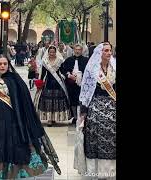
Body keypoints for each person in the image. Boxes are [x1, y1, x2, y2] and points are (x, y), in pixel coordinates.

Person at [0, 54, 61, 179]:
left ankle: (10, 173)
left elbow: (23, 101)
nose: (2, 66)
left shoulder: (15, 80)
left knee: (11, 145)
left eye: (5, 64)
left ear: (8, 65)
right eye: (0, 64)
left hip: (12, 120)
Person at [75, 43, 116, 179]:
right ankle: (96, 170)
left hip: (112, 103)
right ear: (100, 53)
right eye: (106, 51)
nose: (109, 53)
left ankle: (111, 170)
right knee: (94, 132)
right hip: (96, 103)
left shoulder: (114, 67)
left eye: (110, 50)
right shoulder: (92, 69)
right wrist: (84, 111)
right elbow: (86, 91)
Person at [34, 46, 71, 126]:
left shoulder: (60, 60)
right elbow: (43, 73)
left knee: (57, 100)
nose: (52, 53)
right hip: (48, 82)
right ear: (48, 52)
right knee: (48, 100)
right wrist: (40, 82)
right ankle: (49, 119)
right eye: (50, 52)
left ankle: (56, 117)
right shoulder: (45, 61)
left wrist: (65, 76)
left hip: (58, 83)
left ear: (56, 52)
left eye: (53, 52)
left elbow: (62, 71)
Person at [61, 44, 89, 124]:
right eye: (76, 49)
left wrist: (81, 76)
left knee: (81, 101)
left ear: (82, 51)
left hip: (82, 85)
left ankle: (81, 117)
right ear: (73, 50)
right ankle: (75, 117)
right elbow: (63, 70)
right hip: (71, 85)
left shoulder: (86, 60)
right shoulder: (68, 60)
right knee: (72, 101)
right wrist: (69, 75)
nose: (77, 51)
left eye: (79, 49)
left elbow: (89, 72)